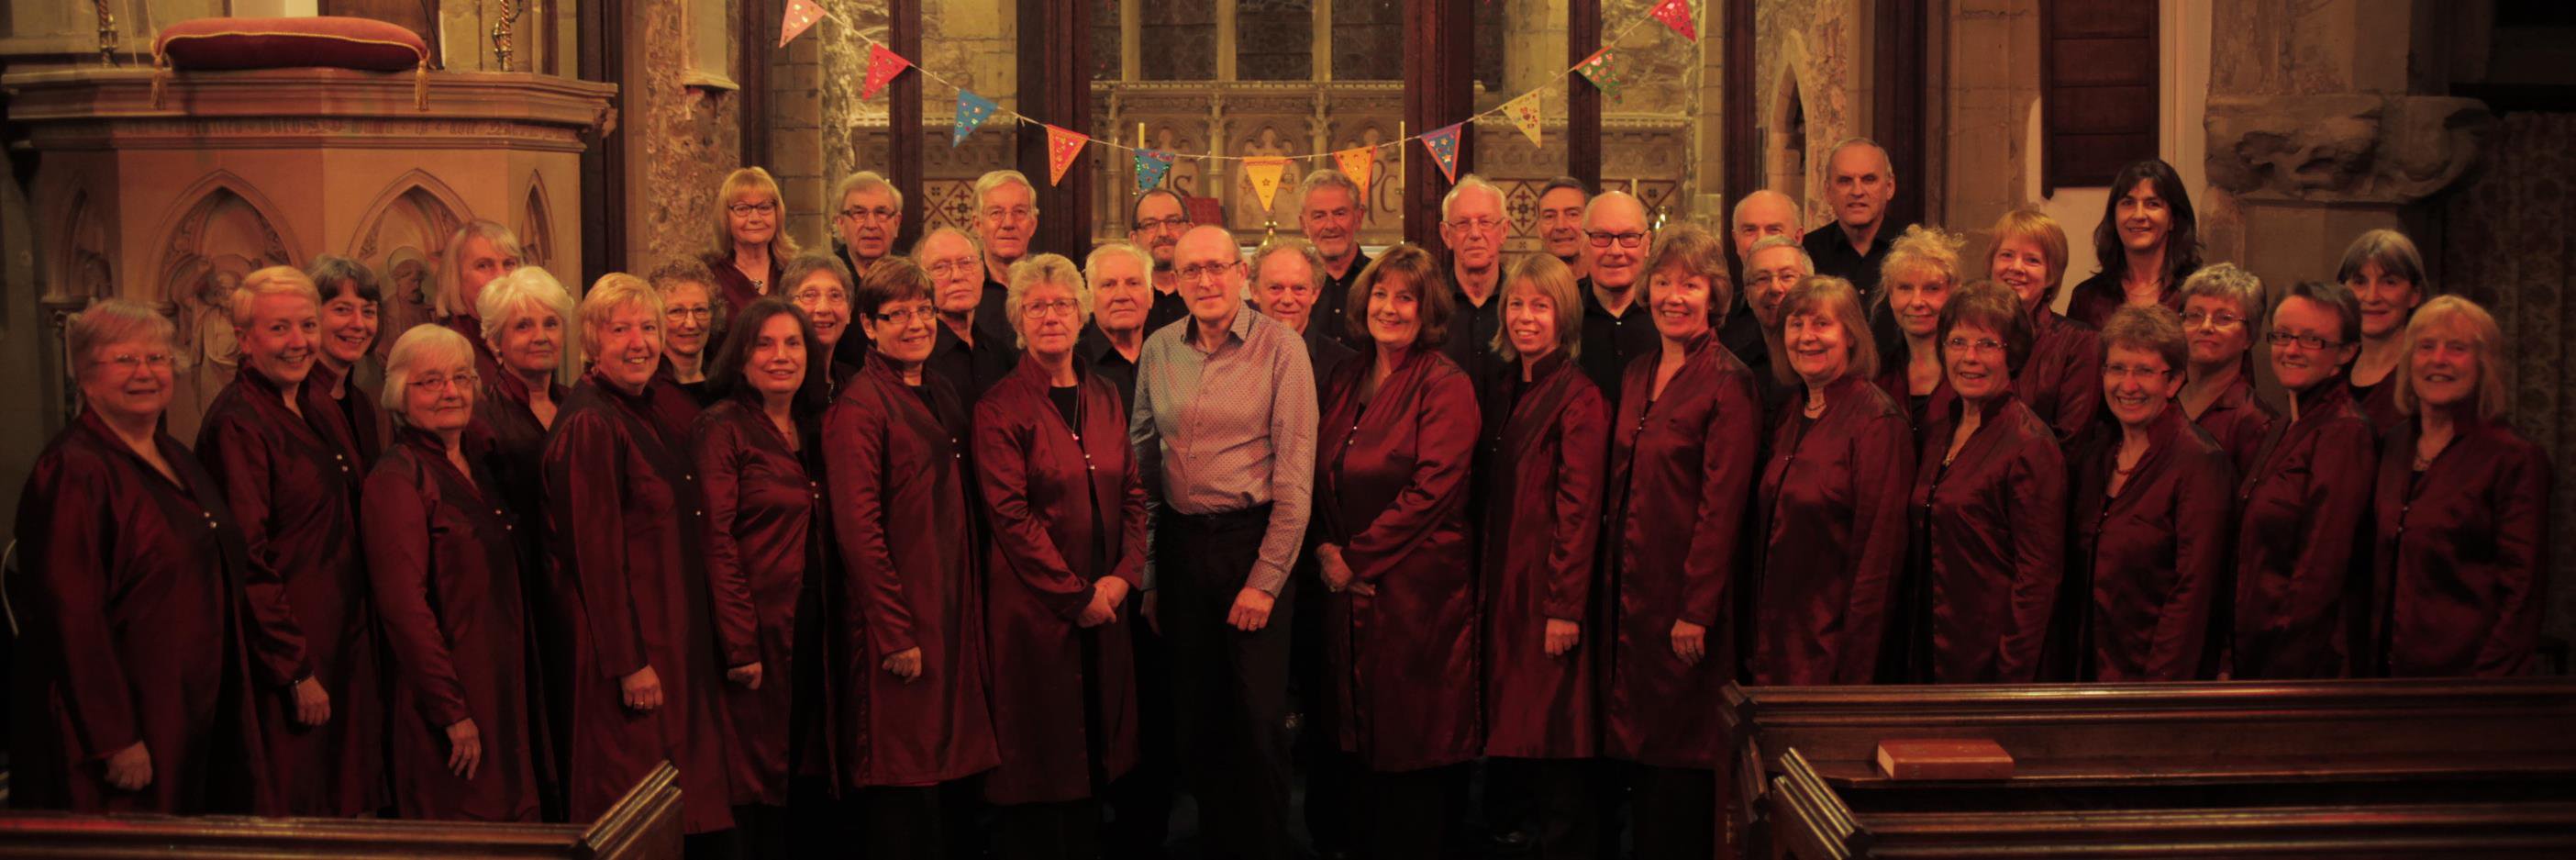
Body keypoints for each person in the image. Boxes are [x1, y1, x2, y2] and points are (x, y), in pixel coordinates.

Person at [11, 299, 269, 814]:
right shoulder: (72, 470)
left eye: (156, 359)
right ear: (84, 375)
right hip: (125, 724)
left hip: (187, 707)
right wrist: (114, 737)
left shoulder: (174, 455)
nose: (146, 373)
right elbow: (72, 614)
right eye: (125, 360)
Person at [1131, 225, 1317, 860]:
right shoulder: (1159, 349)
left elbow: (1296, 478)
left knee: (1259, 719)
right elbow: (1143, 470)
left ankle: (1264, 844)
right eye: (1191, 271)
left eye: (1217, 267)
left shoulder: (1281, 347)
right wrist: (1153, 574)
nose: (1205, 282)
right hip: (1184, 548)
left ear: (1242, 273)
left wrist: (1265, 582)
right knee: (1199, 716)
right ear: (1175, 280)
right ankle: (1217, 841)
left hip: (1252, 542)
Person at [541, 274, 737, 839]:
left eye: (648, 328)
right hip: (628, 658)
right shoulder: (590, 422)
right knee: (633, 815)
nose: (639, 342)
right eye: (620, 329)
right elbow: (594, 555)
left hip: (668, 638)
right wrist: (630, 663)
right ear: (590, 343)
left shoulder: (641, 407)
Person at [974, 254, 1150, 858]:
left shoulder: (1103, 393)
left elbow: (1132, 491)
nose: (1051, 315)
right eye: (1037, 306)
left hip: (1109, 603)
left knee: (1104, 748)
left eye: (1062, 304)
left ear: (1083, 315)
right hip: (1038, 613)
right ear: (1018, 321)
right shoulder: (999, 406)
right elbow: (1011, 517)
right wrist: (1076, 596)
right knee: (1048, 764)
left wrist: (1125, 578)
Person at [825, 257, 1001, 855]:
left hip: (951, 611)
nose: (916, 324)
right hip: (899, 624)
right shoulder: (860, 408)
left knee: (949, 776)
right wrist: (895, 631)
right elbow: (858, 530)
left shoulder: (942, 389)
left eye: (923, 311)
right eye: (897, 315)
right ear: (868, 327)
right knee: (904, 780)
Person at [195, 266, 386, 817]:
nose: (299, 342)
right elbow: (245, 559)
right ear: (243, 339)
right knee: (300, 809)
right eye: (280, 329)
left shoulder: (314, 404)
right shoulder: (239, 423)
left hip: (344, 641)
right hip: (291, 656)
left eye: (306, 325)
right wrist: (294, 668)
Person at [1596, 225, 1761, 860]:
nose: (1673, 295)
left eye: (1689, 283)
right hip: (1633, 590)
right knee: (1638, 752)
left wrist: (1696, 606)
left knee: (1682, 757)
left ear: (1713, 294)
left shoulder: (1729, 379)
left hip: (1687, 601)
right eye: (1663, 281)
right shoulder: (1639, 370)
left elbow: (1722, 506)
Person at [1312, 241, 1481, 859]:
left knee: (1414, 740)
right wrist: (1329, 550)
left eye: (1405, 297)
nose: (1390, 307)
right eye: (1380, 294)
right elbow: (1319, 468)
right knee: (1355, 740)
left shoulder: (1445, 383)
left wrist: (1357, 559)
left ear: (1426, 307)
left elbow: (1433, 488)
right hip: (1346, 591)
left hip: (1417, 594)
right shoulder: (1346, 376)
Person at [362, 324, 547, 821]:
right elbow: (404, 608)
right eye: (431, 381)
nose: (451, 392)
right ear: (400, 392)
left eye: (462, 378)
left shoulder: (477, 464)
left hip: (501, 686)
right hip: (449, 702)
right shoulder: (398, 478)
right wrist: (451, 710)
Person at [1474, 252, 1604, 858]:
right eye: (1518, 304)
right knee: (1513, 715)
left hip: (1548, 587)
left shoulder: (1579, 397)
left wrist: (1564, 606)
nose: (1527, 317)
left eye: (1541, 305)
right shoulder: (1503, 386)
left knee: (1555, 722)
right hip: (1503, 580)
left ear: (1564, 316)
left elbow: (1579, 512)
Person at [694, 298, 831, 854]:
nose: (782, 356)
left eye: (793, 343)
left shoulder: (812, 426)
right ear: (741, 358)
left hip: (812, 622)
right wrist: (739, 643)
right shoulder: (721, 427)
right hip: (755, 630)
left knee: (802, 769)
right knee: (753, 775)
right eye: (765, 344)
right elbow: (716, 541)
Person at [1245, 234, 1361, 857]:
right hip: (1246, 555)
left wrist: (1322, 546)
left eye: (1299, 287)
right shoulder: (1227, 357)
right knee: (1257, 711)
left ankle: (1328, 830)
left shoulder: (1344, 364)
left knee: (1324, 700)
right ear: (1253, 291)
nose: (1286, 298)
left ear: (1317, 294)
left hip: (1318, 556)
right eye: (1274, 286)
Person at [1893, 281, 2064, 684]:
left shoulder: (2030, 444)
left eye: (1987, 344)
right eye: (1957, 342)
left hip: (1989, 663)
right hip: (1929, 650)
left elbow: (2038, 578)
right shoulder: (1940, 429)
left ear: (2014, 354)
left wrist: (2011, 672)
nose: (1969, 358)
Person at [2371, 296, 2550, 677]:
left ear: (2484, 365)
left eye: (2457, 348)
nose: (2439, 360)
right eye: (2426, 347)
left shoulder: (2514, 458)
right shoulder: (2393, 443)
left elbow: (2522, 596)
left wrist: (2483, 690)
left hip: (2466, 687)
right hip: (2383, 681)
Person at [1750, 275, 1913, 687]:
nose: (1807, 337)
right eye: (1796, 323)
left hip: (1833, 654)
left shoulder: (1876, 421)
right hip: (1779, 641)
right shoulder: (1794, 412)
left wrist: (1854, 673)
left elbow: (1879, 558)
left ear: (1852, 337)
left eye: (1822, 324)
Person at [2059, 306, 2233, 682]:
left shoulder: (2200, 461)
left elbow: (2194, 590)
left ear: (2173, 382)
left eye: (2144, 371)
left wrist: (2157, 690)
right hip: (2089, 673)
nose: (2128, 385)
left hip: (2154, 681)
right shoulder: (2097, 457)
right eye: (2117, 368)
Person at [2233, 281, 2378, 680]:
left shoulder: (2343, 432)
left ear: (2345, 353)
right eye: (2282, 336)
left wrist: (2278, 673)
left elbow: (2319, 571)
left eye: (2312, 340)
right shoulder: (2287, 424)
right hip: (2258, 651)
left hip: (2299, 666)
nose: (2291, 350)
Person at [1987, 208, 2104, 441]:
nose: (2016, 267)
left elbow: (2072, 439)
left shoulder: (2079, 342)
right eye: (2007, 255)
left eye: (2032, 260)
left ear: (2051, 275)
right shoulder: (1973, 335)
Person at [1801, 138, 1911, 364]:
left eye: (1869, 179)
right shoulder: (1805, 254)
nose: (1857, 191)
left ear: (1889, 187)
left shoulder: (1914, 251)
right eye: (1845, 181)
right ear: (1828, 191)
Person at [2067, 159, 2202, 329]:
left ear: (2173, 220)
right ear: (2114, 217)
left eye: (2152, 204)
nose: (2138, 215)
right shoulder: (2087, 298)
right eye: (2128, 203)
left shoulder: (2198, 293)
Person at [2176, 263, 2276, 474]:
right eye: (2195, 315)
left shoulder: (2257, 423)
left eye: (2224, 318)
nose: (2206, 327)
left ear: (2250, 336)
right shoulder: (2163, 396)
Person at [1871, 227, 1966, 437]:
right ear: (1890, 295)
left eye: (1932, 288)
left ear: (1953, 292)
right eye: (1905, 288)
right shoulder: (1877, 375)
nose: (1917, 302)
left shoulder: (1971, 369)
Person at [2338, 229, 2430, 432]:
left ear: (2415, 294)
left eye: (2389, 282)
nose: (2372, 297)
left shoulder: (2428, 371)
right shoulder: (2333, 367)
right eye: (2360, 282)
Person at [919, 226, 1020, 405]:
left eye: (966, 263)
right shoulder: (917, 358)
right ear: (922, 280)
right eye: (940, 267)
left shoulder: (1001, 354)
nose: (957, 276)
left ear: (982, 272)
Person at [1577, 190, 1660, 405]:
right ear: (1582, 243)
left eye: (1629, 237)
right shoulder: (1561, 311)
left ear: (1647, 244)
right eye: (1601, 237)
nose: (1615, 250)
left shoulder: (1670, 314)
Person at [306, 254, 388, 462]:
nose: (359, 324)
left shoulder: (361, 401)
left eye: (368, 311)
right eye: (342, 309)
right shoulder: (294, 400)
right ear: (309, 315)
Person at [1719, 189, 1804, 368]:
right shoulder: (1719, 321)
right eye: (1750, 230)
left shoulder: (1828, 315)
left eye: (1774, 230)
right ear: (1736, 241)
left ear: (1798, 238)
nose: (1761, 241)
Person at [1438, 175, 1510, 386]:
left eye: (1485, 222)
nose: (1475, 234)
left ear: (1504, 230)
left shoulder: (1522, 304)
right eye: (1462, 224)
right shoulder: (1428, 304)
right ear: (1446, 234)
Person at [436, 219, 526, 383]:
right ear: (455, 277)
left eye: (509, 264)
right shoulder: (444, 348)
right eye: (483, 266)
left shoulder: (528, 334)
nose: (501, 277)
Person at [1735, 235, 1813, 417]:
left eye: (1787, 276)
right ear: (1748, 295)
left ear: (1811, 285)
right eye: (1762, 279)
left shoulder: (1827, 361)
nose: (1775, 288)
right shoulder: (1734, 367)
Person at [705, 166, 798, 318]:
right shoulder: (710, 276)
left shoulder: (795, 272)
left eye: (764, 207)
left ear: (777, 213)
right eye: (742, 209)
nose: (755, 218)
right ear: (726, 217)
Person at [1297, 168, 1375, 343]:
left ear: (1359, 217)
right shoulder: (1292, 286)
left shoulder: (1381, 278)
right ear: (1303, 225)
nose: (1330, 225)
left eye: (1340, 214)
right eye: (1319, 216)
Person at [1078, 243, 1154, 407]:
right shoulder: (1071, 366)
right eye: (1108, 285)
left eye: (1133, 283)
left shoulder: (1172, 356)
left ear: (1151, 296)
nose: (1122, 296)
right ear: (1089, 299)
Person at [973, 169, 1041, 347]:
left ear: (1033, 224)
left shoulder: (1051, 282)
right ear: (978, 224)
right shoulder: (963, 286)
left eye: (1019, 212)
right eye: (996, 213)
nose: (1009, 223)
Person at [783, 252, 863, 388]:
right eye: (809, 295)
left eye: (835, 296)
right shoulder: (779, 385)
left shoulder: (855, 383)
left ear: (849, 311)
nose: (823, 308)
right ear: (786, 308)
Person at [651, 260, 724, 405]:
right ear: (655, 318)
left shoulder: (725, 383)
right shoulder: (647, 388)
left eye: (700, 310)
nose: (691, 323)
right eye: (676, 311)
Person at [1130, 187, 1195, 333]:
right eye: (1150, 224)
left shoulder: (1208, 292)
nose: (1163, 233)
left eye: (1172, 221)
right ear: (1134, 239)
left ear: (1190, 229)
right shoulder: (1125, 300)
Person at [831, 170, 904, 280]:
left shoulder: (913, 276)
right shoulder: (826, 277)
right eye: (859, 213)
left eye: (881, 213)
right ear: (841, 223)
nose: (871, 225)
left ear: (896, 223)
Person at [1536, 177, 1592, 280]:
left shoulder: (1609, 289)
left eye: (1572, 214)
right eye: (1549, 216)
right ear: (1538, 228)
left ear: (1592, 222)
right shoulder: (1523, 290)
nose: (1561, 226)